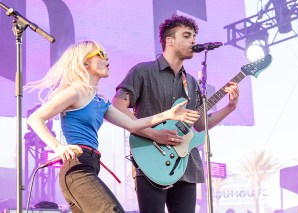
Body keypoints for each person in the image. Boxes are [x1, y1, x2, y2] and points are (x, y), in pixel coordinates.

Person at [25, 40, 200, 213]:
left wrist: (168, 115)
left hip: (91, 165)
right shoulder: (74, 92)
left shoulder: (100, 102)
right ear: (85, 61)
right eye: (101, 54)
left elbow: (132, 124)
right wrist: (58, 147)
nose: (107, 58)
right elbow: (35, 118)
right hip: (76, 167)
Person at [112, 14, 240, 213]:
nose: (193, 41)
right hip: (151, 160)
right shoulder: (142, 71)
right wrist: (153, 134)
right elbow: (118, 107)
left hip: (186, 165)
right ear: (169, 41)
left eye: (194, 37)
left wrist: (229, 108)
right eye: (187, 36)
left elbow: (198, 125)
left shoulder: (191, 82)